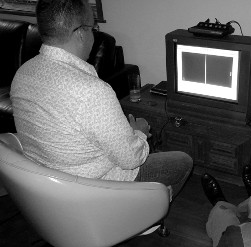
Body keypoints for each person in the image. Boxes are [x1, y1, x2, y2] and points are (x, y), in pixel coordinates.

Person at [10, 0, 192, 200]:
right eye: (93, 28)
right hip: (93, 190)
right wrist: (139, 133)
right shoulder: (91, 91)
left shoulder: (23, 73)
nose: (93, 34)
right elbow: (131, 160)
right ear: (81, 33)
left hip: (44, 189)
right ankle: (142, 213)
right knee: (182, 161)